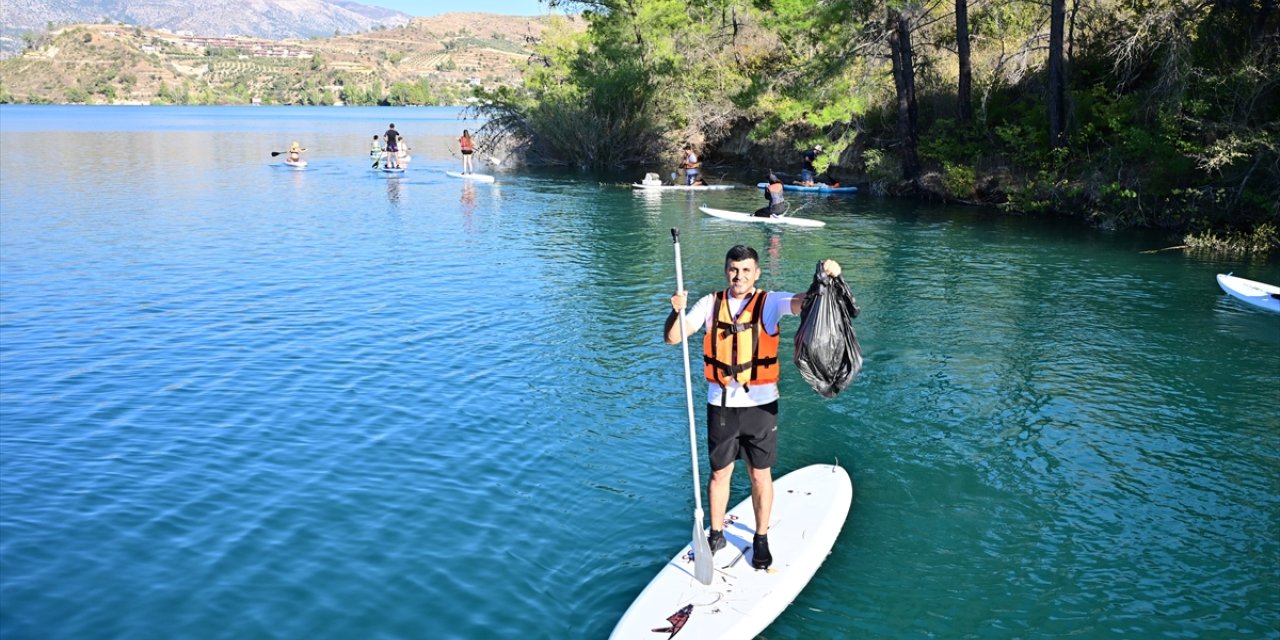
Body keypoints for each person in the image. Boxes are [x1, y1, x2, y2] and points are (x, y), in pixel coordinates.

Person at [664, 246, 842, 570]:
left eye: (746, 270)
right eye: (734, 269)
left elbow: (805, 303)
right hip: (720, 404)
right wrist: (675, 311)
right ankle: (716, 534)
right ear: (726, 270)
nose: (739, 276)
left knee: (760, 475)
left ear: (756, 273)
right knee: (719, 473)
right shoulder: (709, 304)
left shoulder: (770, 302)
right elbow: (674, 338)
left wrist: (825, 278)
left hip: (761, 406)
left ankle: (760, 538)